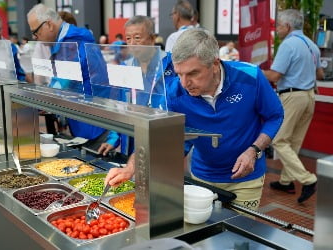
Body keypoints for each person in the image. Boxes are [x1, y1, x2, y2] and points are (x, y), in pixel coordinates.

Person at [105, 29, 284, 211]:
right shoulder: (174, 93)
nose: (185, 83)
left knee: (241, 235)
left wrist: (254, 150)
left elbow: (275, 116)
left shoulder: (251, 77)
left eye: (192, 73)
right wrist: (131, 168)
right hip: (202, 176)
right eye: (179, 74)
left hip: (246, 178)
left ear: (215, 64)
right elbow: (158, 136)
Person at [27, 4, 119, 150]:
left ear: (49, 25)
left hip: (94, 121)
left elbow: (62, 81)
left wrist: (40, 101)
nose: (34, 37)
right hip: (82, 116)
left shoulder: (73, 41)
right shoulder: (64, 41)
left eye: (35, 32)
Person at [263, 9, 324, 203]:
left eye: (278, 26)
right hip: (309, 97)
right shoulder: (312, 45)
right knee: (294, 141)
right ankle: (286, 181)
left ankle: (308, 179)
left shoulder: (288, 44)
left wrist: (253, 69)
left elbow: (274, 76)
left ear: (287, 26)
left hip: (292, 96)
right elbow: (320, 75)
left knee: (279, 140)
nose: (277, 29)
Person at [97, 15, 176, 156]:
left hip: (162, 139)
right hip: (132, 138)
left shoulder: (171, 66)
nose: (132, 43)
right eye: (128, 39)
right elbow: (119, 106)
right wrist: (113, 139)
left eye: (137, 38)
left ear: (152, 39)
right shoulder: (126, 67)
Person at [0, 15, 26, 81]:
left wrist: (21, 86)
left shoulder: (11, 47)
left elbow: (19, 72)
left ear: (1, 29)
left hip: (8, 88)